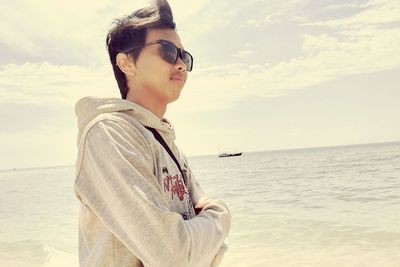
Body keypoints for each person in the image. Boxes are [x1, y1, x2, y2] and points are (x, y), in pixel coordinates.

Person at [73, 1, 231, 266]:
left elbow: (209, 247)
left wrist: (202, 232)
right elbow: (175, 256)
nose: (181, 64)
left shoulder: (167, 143)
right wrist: (222, 215)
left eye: (185, 56)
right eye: (168, 51)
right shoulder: (111, 134)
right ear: (126, 63)